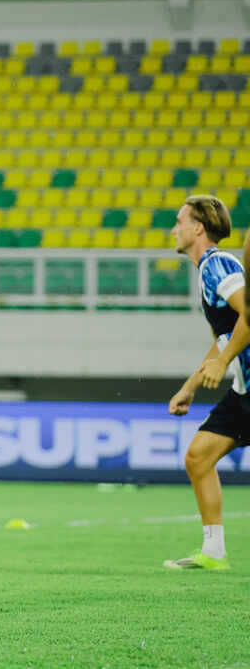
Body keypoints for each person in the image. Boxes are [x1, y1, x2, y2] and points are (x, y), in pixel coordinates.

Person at [163, 195, 250, 571]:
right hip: (244, 390)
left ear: (198, 228)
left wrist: (224, 362)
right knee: (198, 457)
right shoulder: (208, 271)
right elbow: (225, 337)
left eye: (180, 221)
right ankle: (214, 552)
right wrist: (190, 386)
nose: (174, 229)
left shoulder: (218, 264)